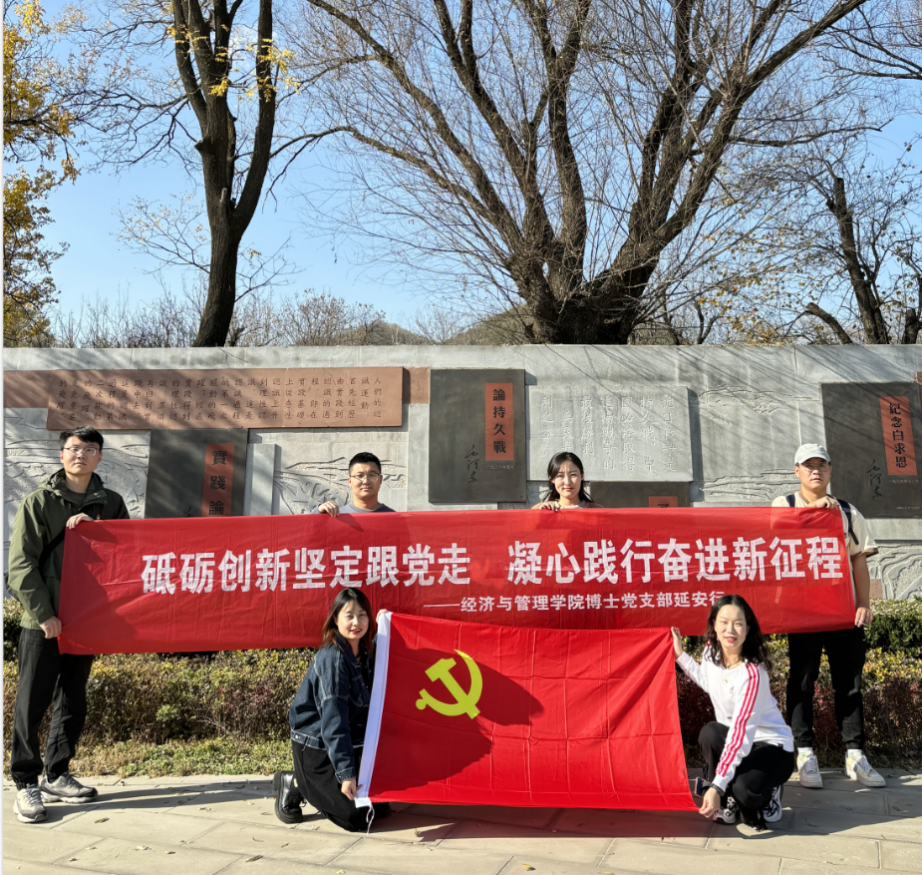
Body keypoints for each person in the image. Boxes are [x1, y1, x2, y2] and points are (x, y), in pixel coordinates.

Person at [7, 427, 130, 824]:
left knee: (73, 700)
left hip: (85, 620)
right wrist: (44, 614)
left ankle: (57, 773)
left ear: (100, 457)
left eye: (90, 449)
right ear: (62, 455)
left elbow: (127, 555)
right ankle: (25, 781)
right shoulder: (39, 502)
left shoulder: (111, 503)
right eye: (74, 448)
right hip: (44, 621)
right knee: (32, 702)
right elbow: (21, 564)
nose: (81, 455)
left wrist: (97, 532)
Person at [772, 443, 885, 789]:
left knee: (849, 684)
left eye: (821, 465)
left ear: (831, 470)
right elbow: (773, 538)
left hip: (843, 613)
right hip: (803, 613)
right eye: (808, 465)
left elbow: (859, 561)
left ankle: (855, 754)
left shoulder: (848, 512)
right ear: (797, 471)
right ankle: (805, 753)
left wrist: (863, 603)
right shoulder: (784, 505)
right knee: (802, 682)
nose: (815, 471)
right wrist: (814, 512)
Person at [673, 595, 795, 830]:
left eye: (738, 623)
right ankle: (726, 798)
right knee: (710, 733)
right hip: (740, 741)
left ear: (748, 629)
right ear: (714, 624)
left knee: (745, 790)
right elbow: (708, 682)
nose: (730, 630)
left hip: (772, 747)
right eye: (724, 622)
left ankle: (769, 791)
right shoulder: (711, 653)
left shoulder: (752, 674)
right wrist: (681, 656)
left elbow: (740, 736)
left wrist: (717, 786)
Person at [274, 590, 390, 831]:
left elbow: (381, 657)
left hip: (351, 740)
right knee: (356, 818)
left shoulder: (364, 651)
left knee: (380, 808)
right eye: (349, 615)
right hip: (316, 744)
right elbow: (333, 725)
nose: (356, 622)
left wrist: (385, 627)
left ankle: (319, 781)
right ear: (335, 619)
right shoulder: (333, 660)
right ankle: (294, 781)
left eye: (362, 615)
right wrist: (346, 774)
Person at [313, 452, 395, 516]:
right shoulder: (337, 516)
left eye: (372, 475)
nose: (366, 481)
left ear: (380, 479)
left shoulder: (393, 518)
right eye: (359, 476)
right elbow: (308, 528)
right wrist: (318, 512)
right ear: (350, 482)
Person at [531, 451, 603, 511]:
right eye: (560, 476)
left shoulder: (597, 510)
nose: (567, 482)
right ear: (552, 479)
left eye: (573, 475)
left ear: (582, 476)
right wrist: (541, 515)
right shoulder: (540, 509)